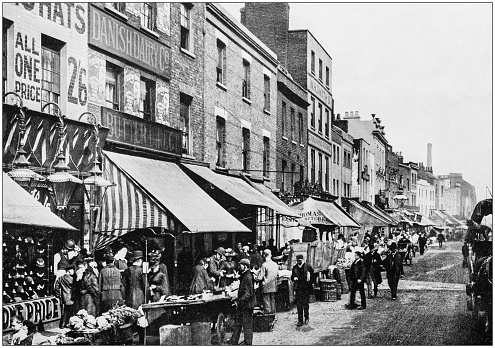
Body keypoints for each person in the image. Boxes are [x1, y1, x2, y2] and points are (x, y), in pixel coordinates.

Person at [230, 258, 255, 345]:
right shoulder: (245, 275)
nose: (239, 266)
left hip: (246, 305)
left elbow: (249, 293)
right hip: (243, 305)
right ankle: (234, 341)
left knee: (247, 326)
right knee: (238, 323)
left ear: (245, 266)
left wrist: (239, 300)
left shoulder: (247, 276)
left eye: (241, 265)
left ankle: (248, 344)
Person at [291, 254, 313, 326]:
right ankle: (300, 320)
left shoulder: (308, 267)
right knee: (299, 305)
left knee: (305, 304)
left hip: (306, 288)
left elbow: (312, 277)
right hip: (298, 288)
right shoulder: (295, 268)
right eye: (297, 261)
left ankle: (306, 317)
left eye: (299, 260)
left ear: (302, 260)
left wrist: (309, 280)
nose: (298, 262)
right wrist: (294, 278)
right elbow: (292, 276)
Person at [256, 249, 279, 314]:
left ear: (264, 255)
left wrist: (255, 277)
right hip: (273, 285)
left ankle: (268, 314)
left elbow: (260, 277)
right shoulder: (275, 264)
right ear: (270, 255)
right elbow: (277, 274)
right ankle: (273, 314)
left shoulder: (264, 265)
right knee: (272, 300)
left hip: (266, 285)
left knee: (266, 301)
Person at [54, 263, 75, 328]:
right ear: (69, 271)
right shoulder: (72, 279)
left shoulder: (61, 278)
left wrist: (58, 294)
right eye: (72, 270)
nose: (73, 272)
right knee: (71, 311)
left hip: (64, 297)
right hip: (71, 297)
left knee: (65, 311)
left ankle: (62, 324)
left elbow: (56, 287)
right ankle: (70, 323)